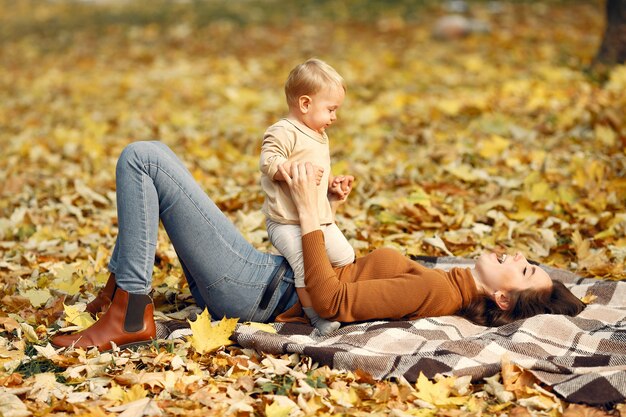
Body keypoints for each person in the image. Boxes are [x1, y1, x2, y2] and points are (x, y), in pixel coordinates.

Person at [50, 142, 586, 352]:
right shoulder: (441, 280)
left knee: (145, 159)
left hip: (256, 290)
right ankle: (124, 293)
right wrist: (324, 208)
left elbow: (330, 304)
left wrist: (308, 214)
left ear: (503, 300)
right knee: (152, 171)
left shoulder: (432, 294)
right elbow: (345, 272)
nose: (517, 255)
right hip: (261, 275)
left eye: (525, 269)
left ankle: (129, 312)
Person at [259, 58, 355, 335]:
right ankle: (314, 314)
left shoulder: (319, 134)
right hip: (287, 221)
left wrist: (331, 187)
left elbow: (318, 175)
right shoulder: (283, 130)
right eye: (331, 109)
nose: (334, 116)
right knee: (304, 265)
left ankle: (335, 293)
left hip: (317, 219)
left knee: (345, 255)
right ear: (305, 104)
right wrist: (287, 168)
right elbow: (268, 160)